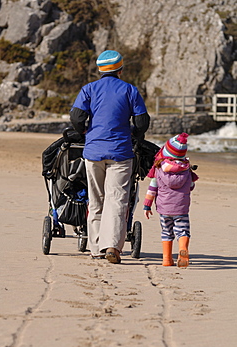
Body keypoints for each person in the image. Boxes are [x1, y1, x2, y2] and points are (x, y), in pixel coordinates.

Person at [70, 50, 150, 263]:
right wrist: (133, 133)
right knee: (116, 199)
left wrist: (85, 132)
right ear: (120, 69)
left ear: (100, 69)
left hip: (93, 152)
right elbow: (142, 122)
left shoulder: (89, 89)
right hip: (120, 152)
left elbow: (76, 117)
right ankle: (112, 247)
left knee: (96, 199)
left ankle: (96, 248)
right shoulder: (130, 90)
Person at [143, 133, 198, 268]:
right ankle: (182, 251)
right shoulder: (187, 170)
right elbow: (191, 186)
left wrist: (147, 206)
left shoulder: (158, 169)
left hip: (164, 209)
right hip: (181, 208)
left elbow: (152, 190)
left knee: (167, 232)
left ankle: (167, 260)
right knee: (183, 231)